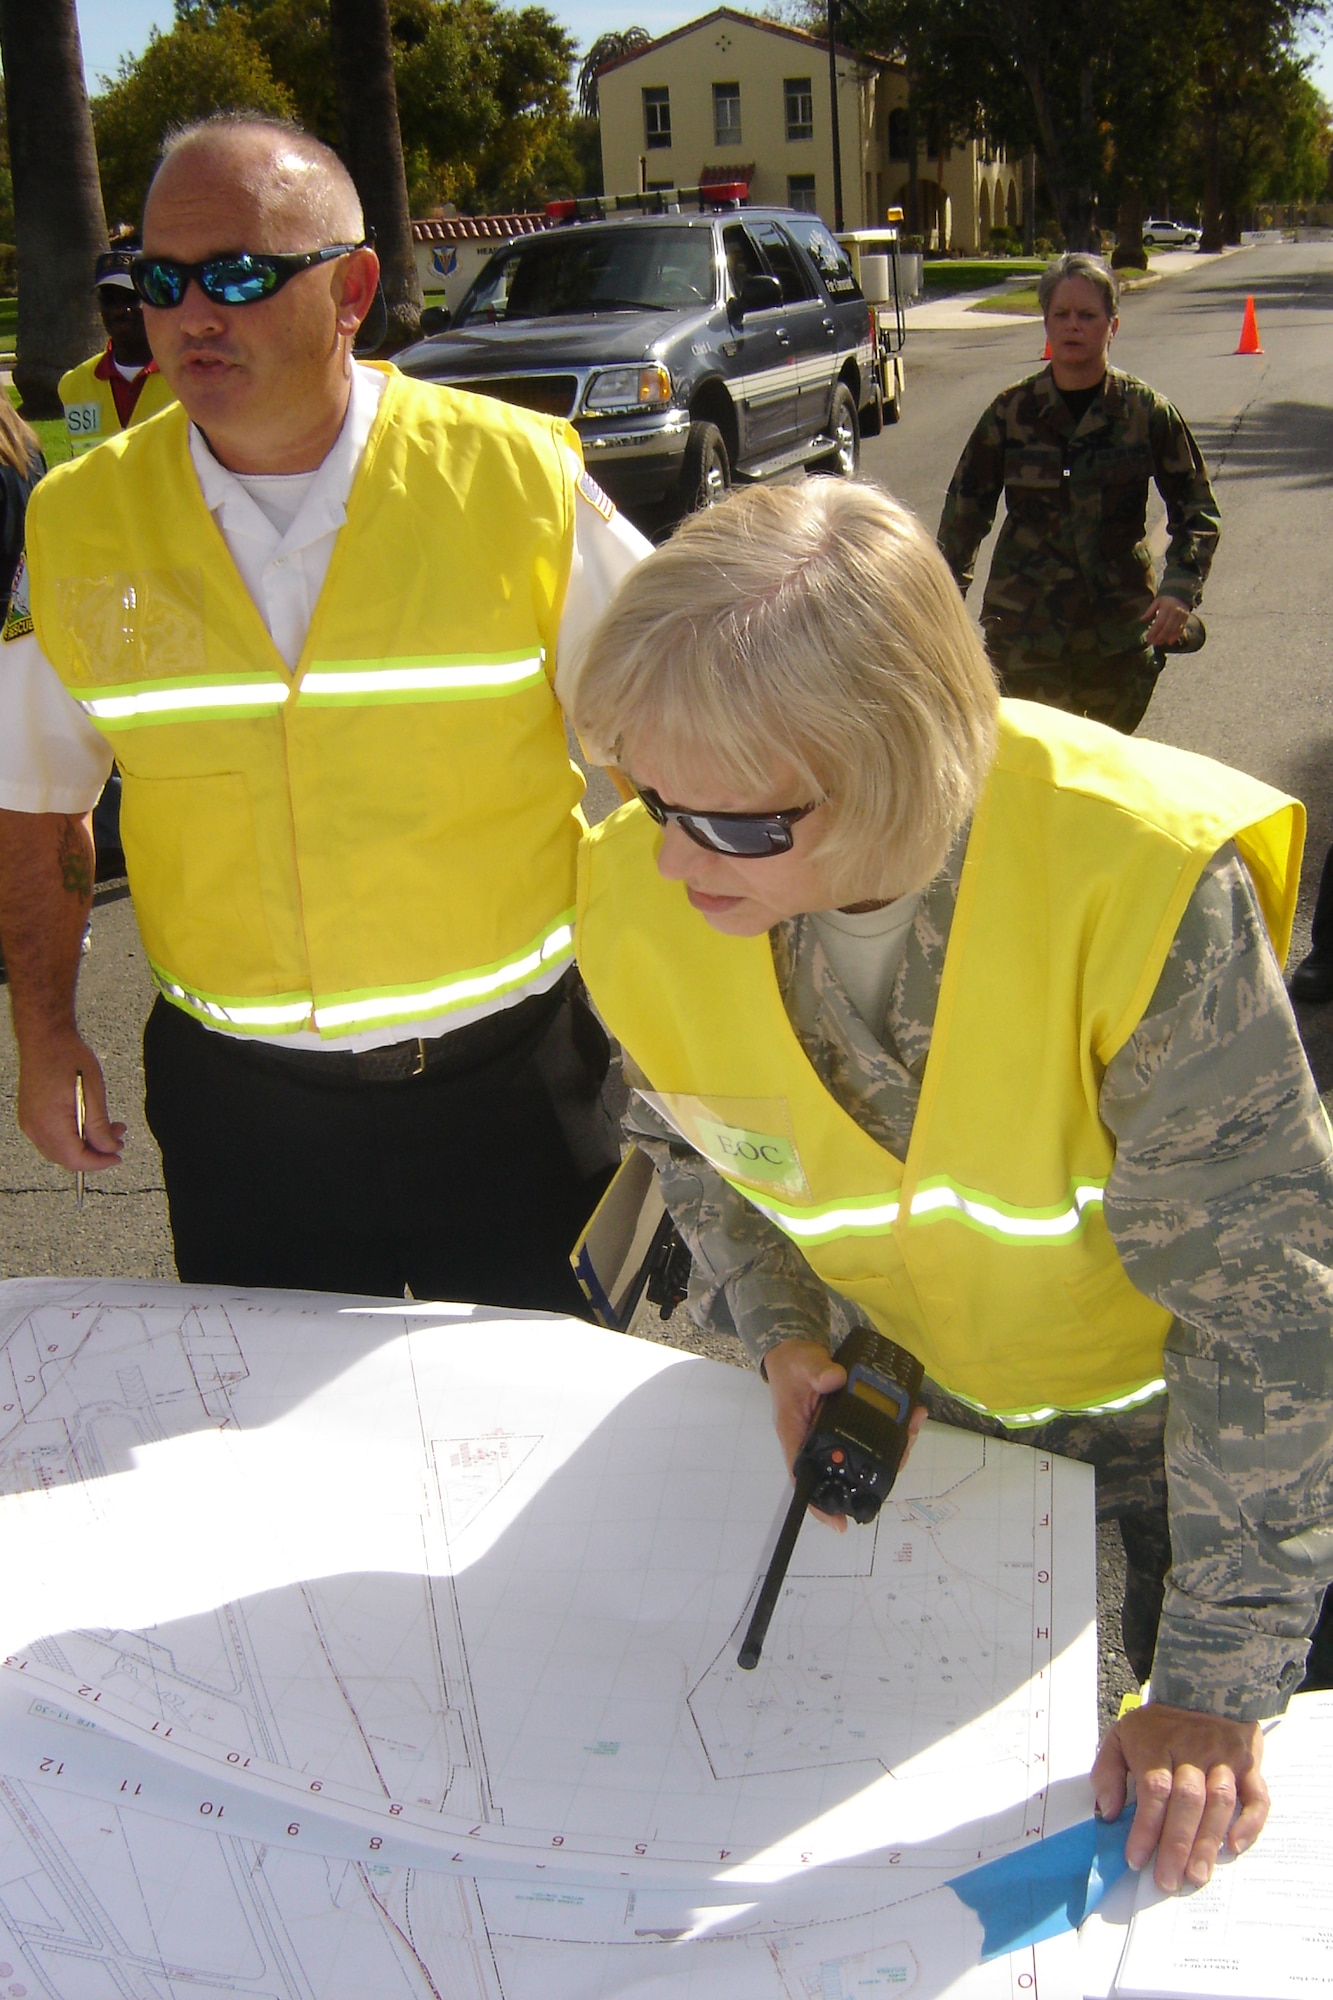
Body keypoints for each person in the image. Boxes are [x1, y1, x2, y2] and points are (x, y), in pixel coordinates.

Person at [571, 478, 1333, 1896]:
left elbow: (1263, 1312)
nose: (671, 861)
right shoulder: (641, 881)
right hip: (934, 1417)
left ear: (894, 763)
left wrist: (1217, 1683)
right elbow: (696, 1144)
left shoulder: (1133, 879)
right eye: (644, 792)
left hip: (1195, 1426)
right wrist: (787, 1331)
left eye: (732, 825)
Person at [0, 114, 649, 1313]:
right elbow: (37, 807)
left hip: (512, 1093)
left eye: (241, 274)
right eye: (158, 279)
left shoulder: (516, 479)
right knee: (284, 1476)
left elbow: (681, 760)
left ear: (353, 288)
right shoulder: (77, 522)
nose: (196, 312)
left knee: (540, 1456)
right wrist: (43, 1038)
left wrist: (703, 1018)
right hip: (247, 1124)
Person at [937, 252, 1219, 733]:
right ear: (1045, 322)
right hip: (1025, 637)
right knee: (1040, 777)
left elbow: (1196, 510)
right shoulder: (1011, 413)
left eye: (1087, 315)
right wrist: (938, 606)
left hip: (1117, 635)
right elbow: (964, 516)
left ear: (1113, 325)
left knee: (1108, 775)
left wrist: (1179, 590)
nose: (1073, 326)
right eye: (1060, 315)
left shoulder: (1145, 412)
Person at [58, 242, 176, 456]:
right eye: (109, 300)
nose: (120, 310)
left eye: (132, 298)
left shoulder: (186, 377)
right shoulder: (73, 385)